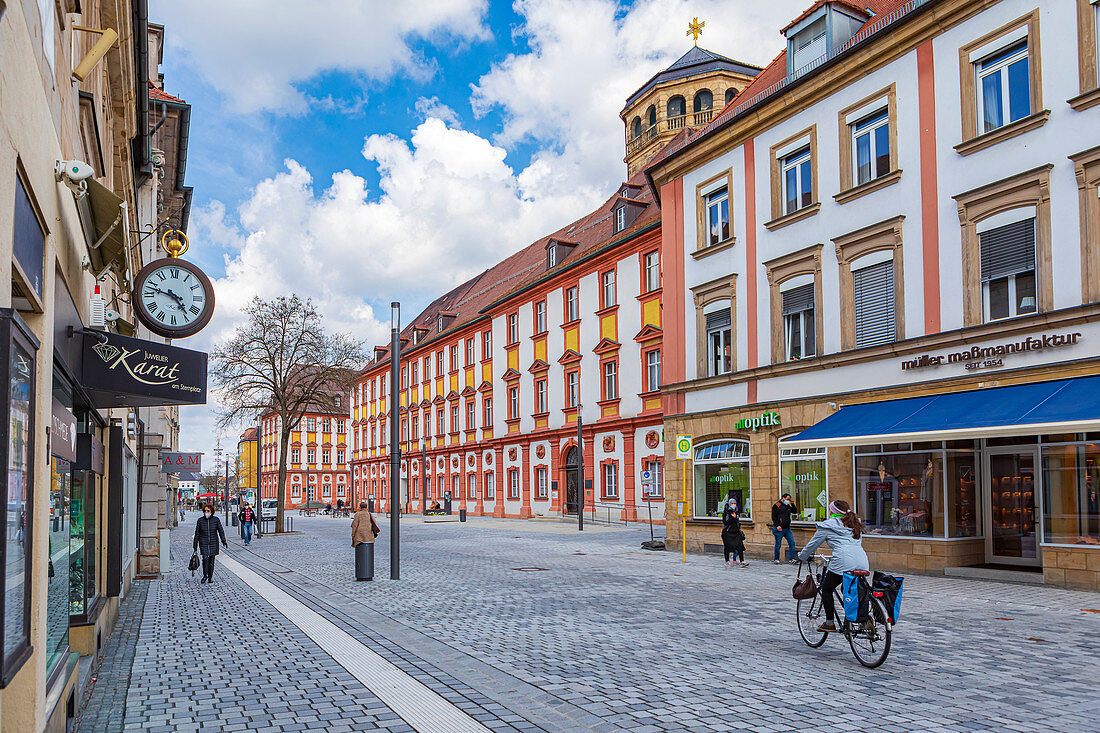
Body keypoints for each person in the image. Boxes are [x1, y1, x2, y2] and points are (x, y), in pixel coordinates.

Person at [797, 500, 869, 632]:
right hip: (862, 561)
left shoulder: (828, 526)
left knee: (827, 588)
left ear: (833, 511)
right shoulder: (854, 524)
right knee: (852, 590)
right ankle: (859, 620)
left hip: (843, 560)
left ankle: (830, 623)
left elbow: (813, 545)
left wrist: (801, 556)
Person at [193, 504, 228, 583]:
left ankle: (210, 577)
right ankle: (205, 575)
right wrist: (195, 544)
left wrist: (224, 540)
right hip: (203, 542)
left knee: (211, 560)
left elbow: (220, 530)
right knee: (205, 558)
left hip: (213, 542)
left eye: (208, 511)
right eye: (205, 511)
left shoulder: (216, 520)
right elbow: (197, 533)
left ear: (211, 511)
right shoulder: (200, 520)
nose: (206, 512)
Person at [351, 500, 378, 581]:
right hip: (368, 536)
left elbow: (355, 525)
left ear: (360, 507)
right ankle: (368, 574)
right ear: (366, 507)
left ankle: (361, 574)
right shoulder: (369, 514)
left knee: (360, 551)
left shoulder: (357, 514)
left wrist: (353, 535)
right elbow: (374, 522)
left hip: (359, 536)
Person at [771, 493, 798, 564]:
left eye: (789, 499)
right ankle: (776, 559)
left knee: (792, 543)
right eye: (787, 499)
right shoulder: (777, 505)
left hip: (787, 528)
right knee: (778, 544)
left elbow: (794, 511)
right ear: (783, 498)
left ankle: (791, 559)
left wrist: (792, 504)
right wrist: (777, 525)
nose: (788, 500)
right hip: (779, 528)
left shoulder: (787, 505)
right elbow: (774, 517)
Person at [721, 497, 747, 567]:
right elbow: (725, 522)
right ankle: (727, 561)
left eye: (734, 503)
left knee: (740, 546)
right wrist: (733, 518)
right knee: (727, 547)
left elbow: (737, 521)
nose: (733, 505)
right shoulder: (726, 512)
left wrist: (736, 520)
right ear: (729, 504)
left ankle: (742, 560)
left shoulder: (736, 511)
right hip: (728, 532)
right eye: (732, 503)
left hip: (736, 532)